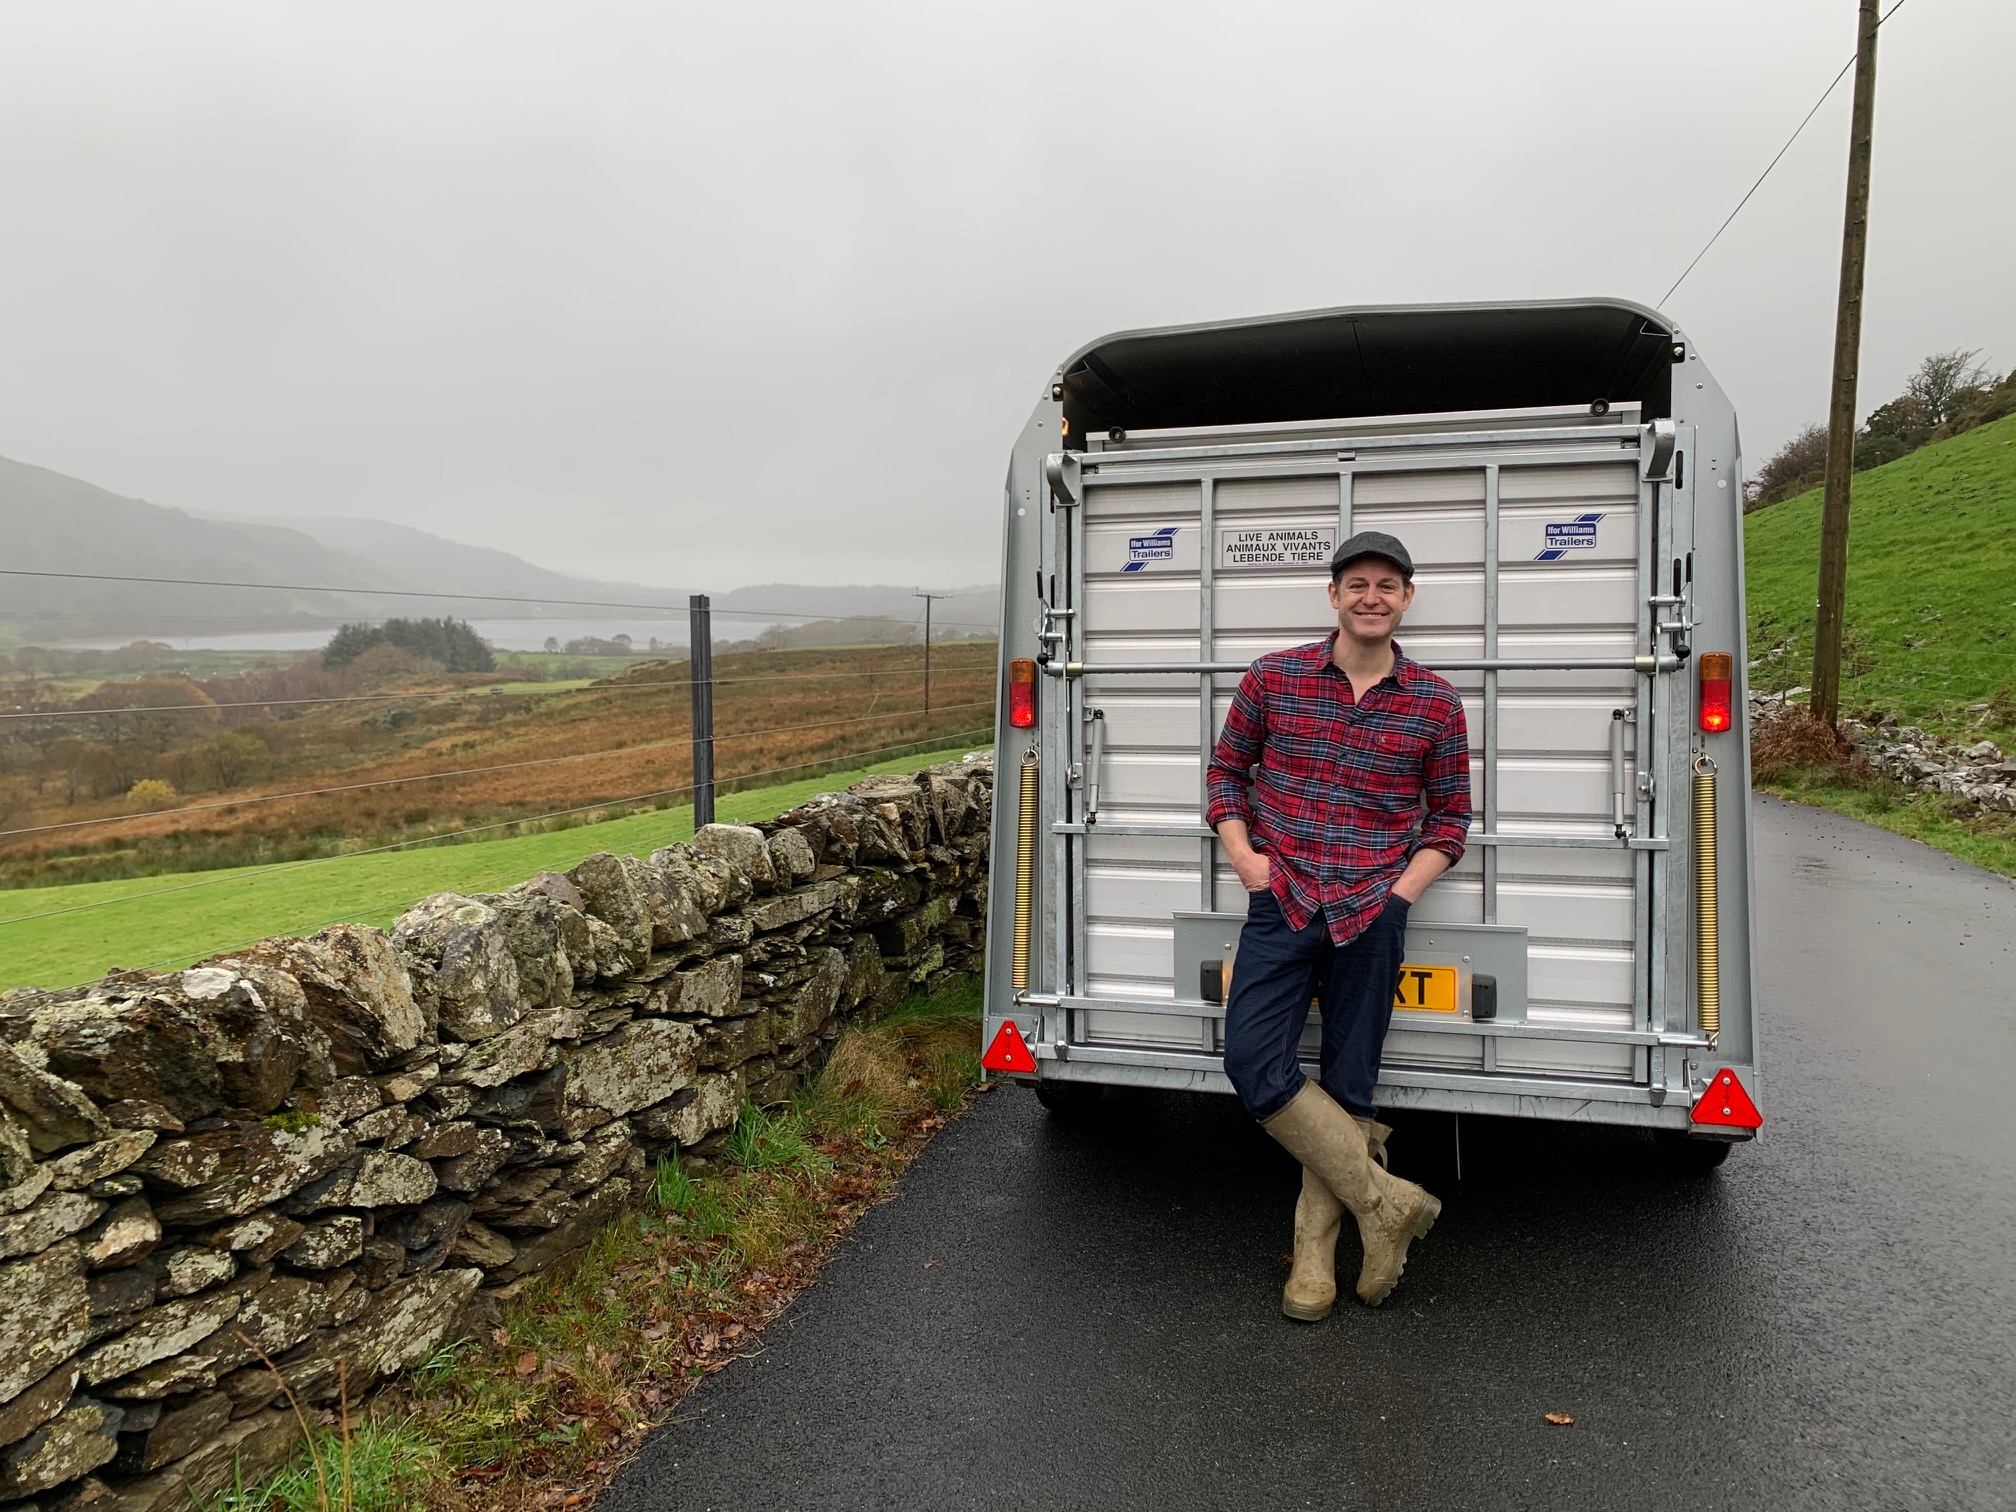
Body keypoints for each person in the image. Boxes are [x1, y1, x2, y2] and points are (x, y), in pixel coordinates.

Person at [1205, 529, 1472, 1321]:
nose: (1371, 597)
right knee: (1252, 1061)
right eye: (1357, 583)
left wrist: (1400, 896)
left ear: (1407, 599)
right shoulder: (1274, 677)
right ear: (1334, 595)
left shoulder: (1435, 703)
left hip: (1372, 912)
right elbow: (1226, 775)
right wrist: (1246, 860)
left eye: (1387, 585)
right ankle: (1385, 1204)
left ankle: (1315, 1260)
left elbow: (1451, 819)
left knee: (1350, 1083)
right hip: (1282, 899)